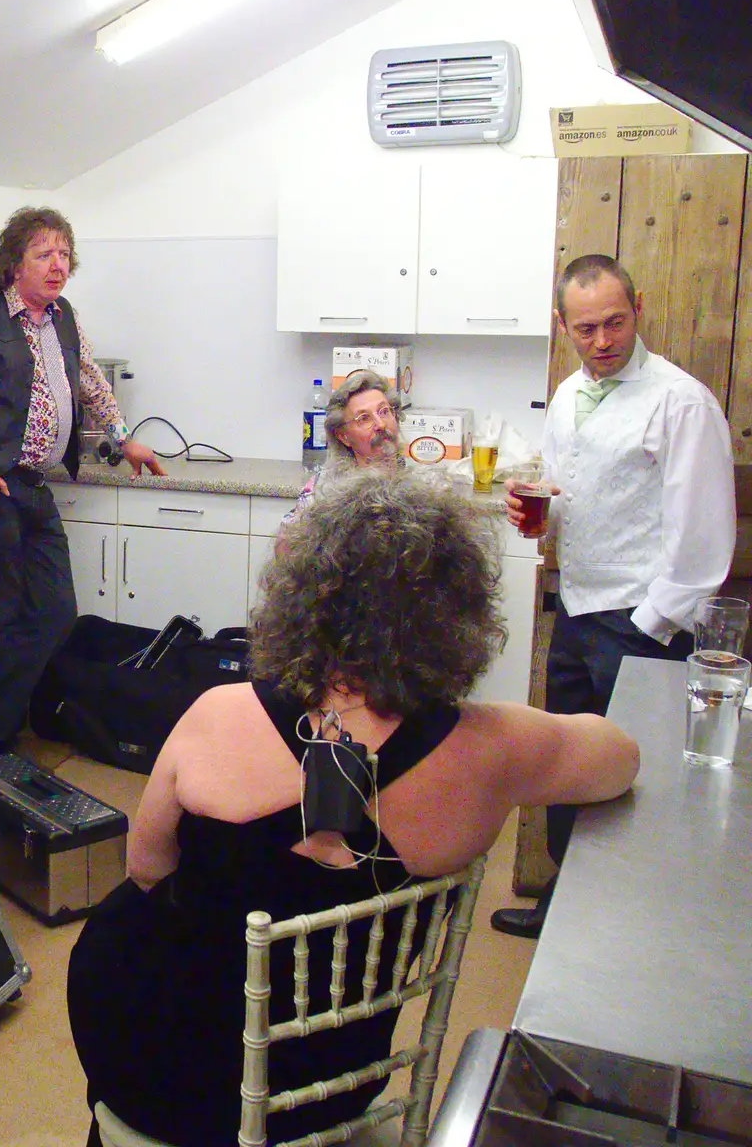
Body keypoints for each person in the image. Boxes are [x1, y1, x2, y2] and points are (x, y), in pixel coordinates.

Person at [67, 472, 639, 1146]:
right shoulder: (492, 748)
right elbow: (619, 757)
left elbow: (145, 869)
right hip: (330, 1084)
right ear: (457, 615)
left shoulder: (217, 716)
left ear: (302, 597)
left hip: (155, 1077)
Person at [491, 253, 735, 939]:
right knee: (564, 766)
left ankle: (629, 932)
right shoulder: (569, 395)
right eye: (587, 328)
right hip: (573, 610)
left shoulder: (680, 401)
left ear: (639, 308)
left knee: (637, 783)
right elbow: (569, 495)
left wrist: (650, 624)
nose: (603, 341)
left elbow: (703, 541)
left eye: (616, 323)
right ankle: (564, 914)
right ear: (562, 324)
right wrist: (536, 513)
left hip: (638, 624)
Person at [0, 207, 164, 766]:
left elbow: (90, 379)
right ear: (13, 262)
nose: (58, 266)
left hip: (33, 485)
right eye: (44, 254)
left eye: (65, 254)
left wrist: (124, 439)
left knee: (54, 612)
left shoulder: (62, 315)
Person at [280, 368, 402, 527]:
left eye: (384, 411)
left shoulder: (422, 481)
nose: (381, 424)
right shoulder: (324, 488)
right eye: (364, 418)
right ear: (344, 437)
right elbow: (286, 545)